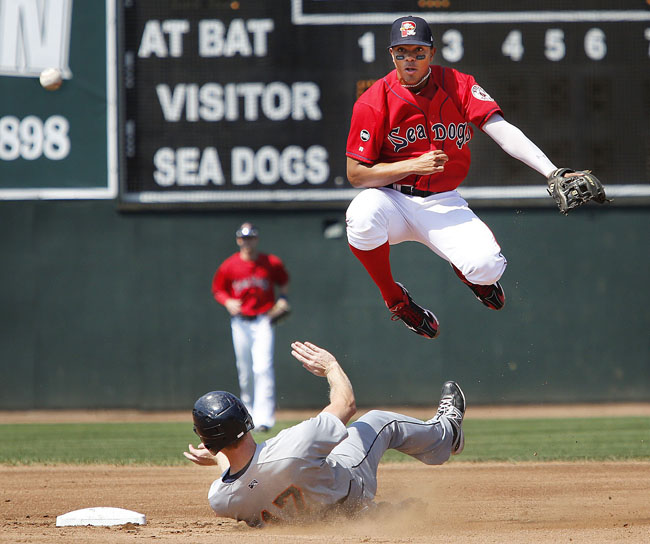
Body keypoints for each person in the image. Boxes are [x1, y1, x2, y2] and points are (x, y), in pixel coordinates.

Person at [345, 16, 577, 339]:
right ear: (391, 54)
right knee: (360, 215)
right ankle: (395, 299)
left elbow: (502, 132)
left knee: (487, 266)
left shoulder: (458, 84)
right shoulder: (373, 102)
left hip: (442, 202)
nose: (409, 59)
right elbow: (356, 174)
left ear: (432, 53)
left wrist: (550, 170)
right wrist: (413, 164)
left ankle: (471, 277)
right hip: (392, 200)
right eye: (401, 52)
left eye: (417, 51)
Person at [183, 340, 466, 527]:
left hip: (321, 520)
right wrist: (331, 366)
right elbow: (346, 405)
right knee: (380, 421)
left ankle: (373, 515)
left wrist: (218, 457)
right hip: (352, 488)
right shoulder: (294, 444)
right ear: (246, 419)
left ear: (208, 442)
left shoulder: (219, 499)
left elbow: (239, 474)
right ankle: (447, 434)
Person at [212, 222, 290, 432]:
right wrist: (227, 301)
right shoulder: (229, 265)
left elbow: (283, 280)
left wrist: (282, 298)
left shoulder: (270, 262)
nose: (247, 241)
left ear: (256, 239)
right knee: (245, 371)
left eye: (251, 237)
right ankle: (248, 415)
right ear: (239, 240)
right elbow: (218, 289)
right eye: (244, 238)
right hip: (240, 322)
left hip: (263, 319)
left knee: (263, 368)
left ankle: (265, 418)